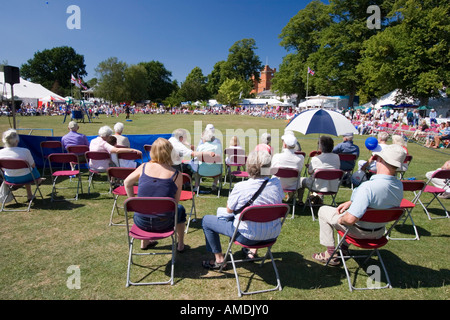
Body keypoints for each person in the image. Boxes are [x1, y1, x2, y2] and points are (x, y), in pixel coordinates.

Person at [312, 144, 407, 265]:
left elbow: (350, 219)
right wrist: (352, 202)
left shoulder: (368, 187)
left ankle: (331, 254)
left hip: (359, 232)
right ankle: (343, 249)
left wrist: (340, 219)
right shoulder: (399, 186)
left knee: (324, 210)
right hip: (379, 232)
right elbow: (380, 201)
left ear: (381, 160)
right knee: (353, 215)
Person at [201, 150, 284, 269]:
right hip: (271, 234)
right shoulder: (276, 184)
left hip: (246, 236)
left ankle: (219, 260)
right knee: (255, 215)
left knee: (207, 220)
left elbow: (229, 210)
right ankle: (252, 252)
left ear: (248, 166)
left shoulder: (241, 187)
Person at [124, 138, 186, 252]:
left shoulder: (143, 167)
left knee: (148, 207)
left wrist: (133, 201)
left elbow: (127, 182)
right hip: (164, 223)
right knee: (180, 209)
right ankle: (180, 244)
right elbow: (175, 203)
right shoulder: (177, 174)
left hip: (140, 222)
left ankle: (145, 242)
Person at [0, 129, 44, 201]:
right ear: (17, 140)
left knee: (26, 169)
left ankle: (30, 192)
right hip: (25, 177)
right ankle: (38, 181)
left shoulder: (0, 152)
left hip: (9, 178)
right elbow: (33, 165)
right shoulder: (25, 151)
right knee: (30, 169)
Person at [298, 136, 341, 205]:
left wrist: (311, 167)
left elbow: (309, 172)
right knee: (322, 178)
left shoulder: (316, 158)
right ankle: (317, 199)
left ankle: (300, 201)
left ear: (320, 147)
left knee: (301, 180)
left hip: (318, 186)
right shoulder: (337, 157)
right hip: (333, 186)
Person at [271, 134, 304, 200]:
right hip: (293, 185)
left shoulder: (277, 156)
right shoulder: (300, 158)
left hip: (277, 184)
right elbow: (299, 170)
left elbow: (272, 171)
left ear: (284, 145)